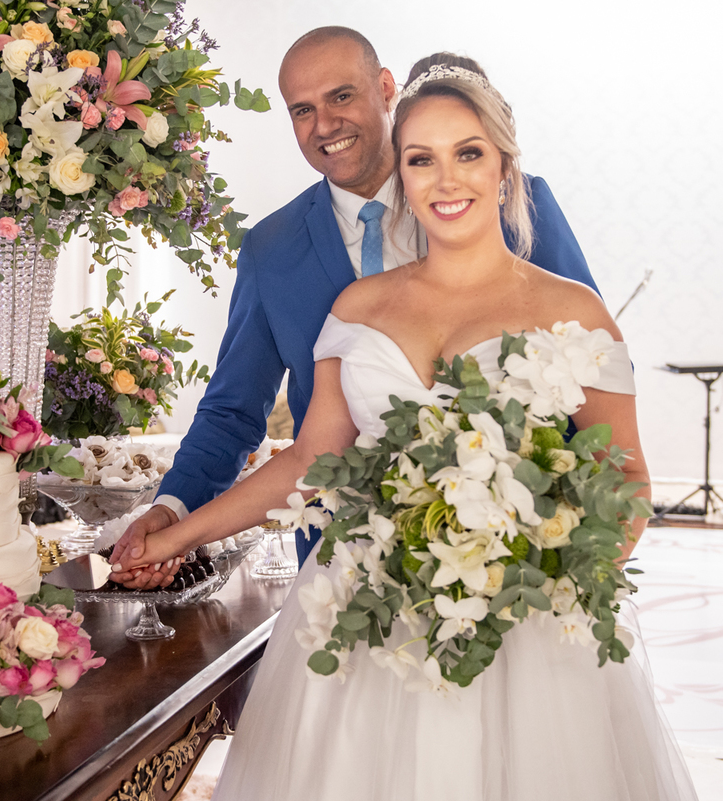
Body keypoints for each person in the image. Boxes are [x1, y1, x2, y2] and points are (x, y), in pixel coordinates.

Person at [111, 53, 698, 800]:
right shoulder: (356, 308)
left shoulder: (572, 309)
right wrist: (173, 535)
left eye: (469, 154)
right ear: (404, 171)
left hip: (523, 621)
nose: (446, 180)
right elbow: (311, 460)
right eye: (422, 159)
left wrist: (546, 594)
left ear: (505, 166)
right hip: (363, 614)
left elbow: (626, 477)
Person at [116, 27, 599, 588]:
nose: (324, 125)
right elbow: (234, 412)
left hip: (514, 553)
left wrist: (559, 527)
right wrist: (171, 512)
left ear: (386, 88)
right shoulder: (272, 250)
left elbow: (591, 367)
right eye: (302, 110)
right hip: (341, 566)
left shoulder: (506, 202)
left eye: (341, 96)